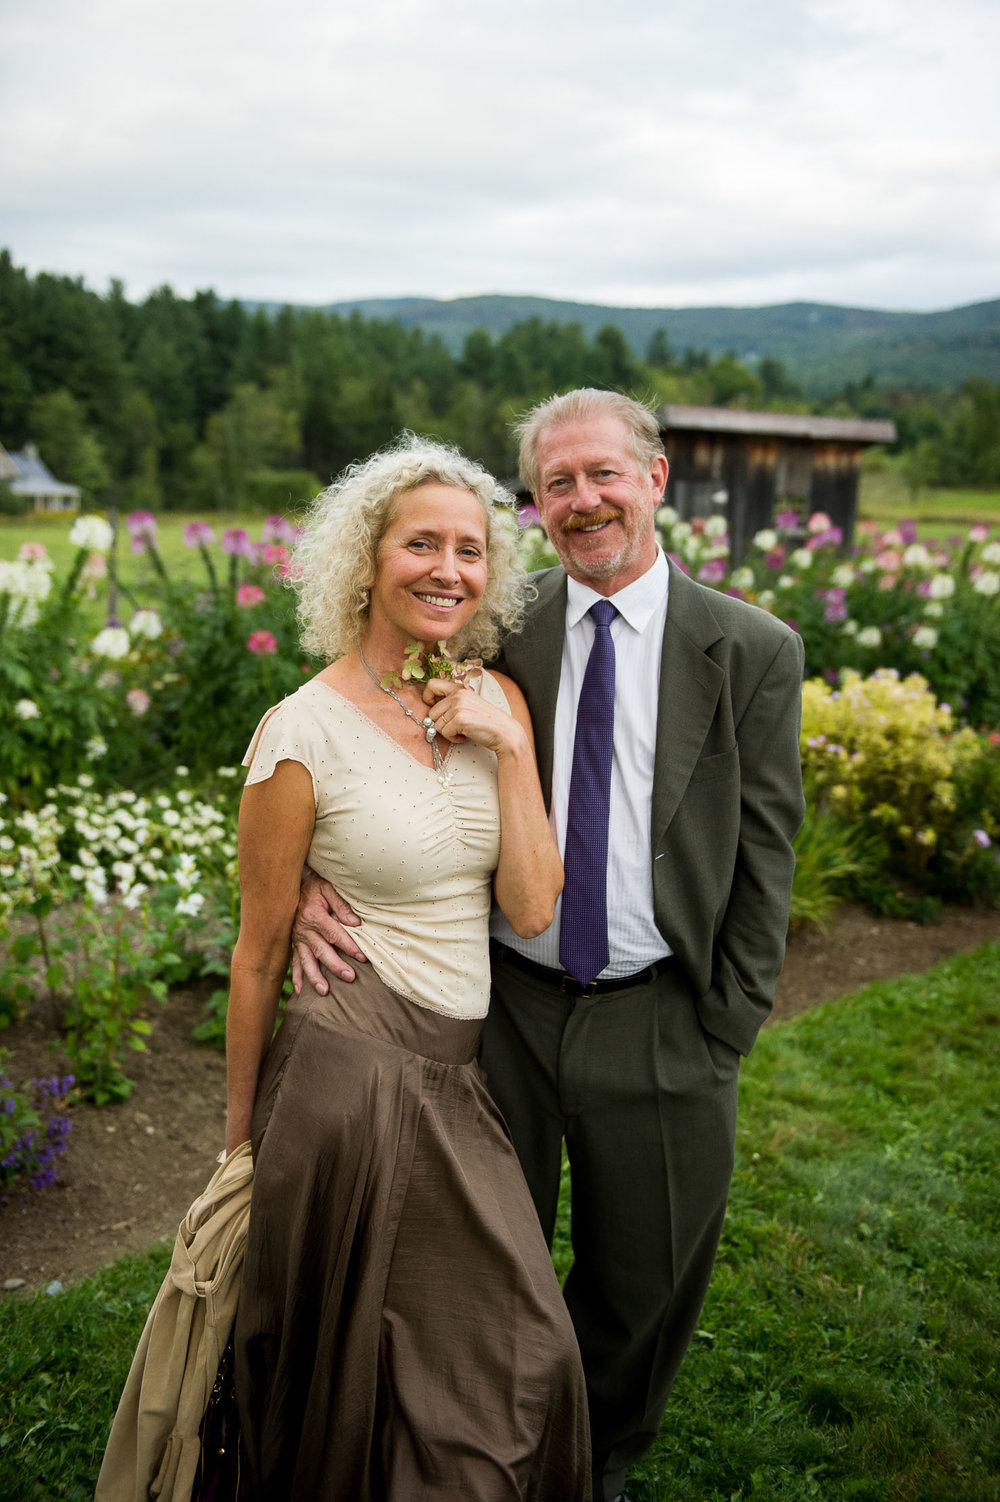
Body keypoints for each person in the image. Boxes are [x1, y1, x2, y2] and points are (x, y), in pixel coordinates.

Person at [294, 391, 806, 1502]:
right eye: (555, 483)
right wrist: (304, 876)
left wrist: (729, 1019)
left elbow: (768, 846)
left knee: (646, 1276)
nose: (581, 501)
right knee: (482, 1260)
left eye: (602, 474)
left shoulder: (751, 649)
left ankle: (601, 1458)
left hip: (666, 1012)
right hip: (506, 1008)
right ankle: (488, 1444)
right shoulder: (494, 627)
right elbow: (347, 728)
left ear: (655, 477)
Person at [221, 437, 591, 1500]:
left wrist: (509, 749)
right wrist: (240, 1146)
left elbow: (528, 902)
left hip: (452, 1078)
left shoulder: (494, 705)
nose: (447, 568)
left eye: (469, 549)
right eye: (419, 542)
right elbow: (254, 951)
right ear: (365, 562)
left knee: (518, 1350)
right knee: (344, 1362)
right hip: (348, 1079)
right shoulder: (303, 732)